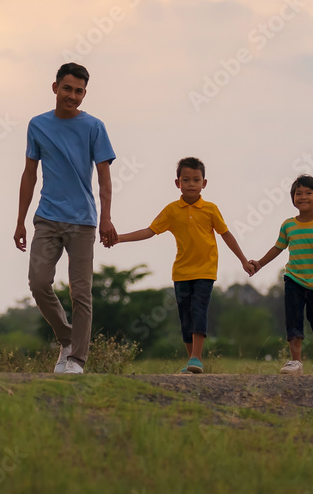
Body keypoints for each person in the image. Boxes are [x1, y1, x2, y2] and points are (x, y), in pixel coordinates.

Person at [14, 62, 117, 375]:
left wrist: (106, 218)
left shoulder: (94, 127)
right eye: (68, 88)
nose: (72, 96)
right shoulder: (38, 125)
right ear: (55, 87)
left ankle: (76, 360)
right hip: (46, 217)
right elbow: (29, 174)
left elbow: (104, 177)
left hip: (83, 221)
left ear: (85, 94)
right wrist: (20, 220)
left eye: (79, 91)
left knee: (80, 292)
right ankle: (67, 338)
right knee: (39, 282)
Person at [107, 157, 254, 374]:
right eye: (186, 180)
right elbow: (150, 231)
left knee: (199, 311)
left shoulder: (211, 209)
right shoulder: (171, 210)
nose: (191, 184)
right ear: (178, 183)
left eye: (196, 179)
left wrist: (243, 260)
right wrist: (119, 237)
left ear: (204, 183)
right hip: (181, 273)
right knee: (185, 318)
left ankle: (196, 357)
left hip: (205, 270)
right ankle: (191, 362)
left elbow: (226, 235)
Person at [249, 174, 313, 376]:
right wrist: (259, 263)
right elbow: (277, 247)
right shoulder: (288, 225)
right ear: (293, 198)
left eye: (308, 193)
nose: (302, 197)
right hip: (293, 279)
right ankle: (295, 362)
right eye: (298, 193)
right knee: (293, 321)